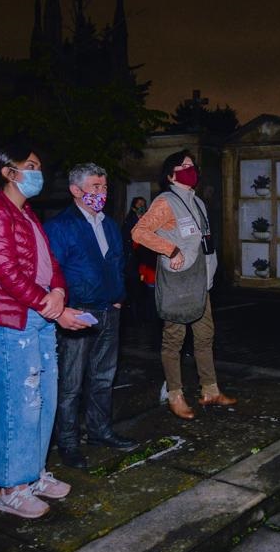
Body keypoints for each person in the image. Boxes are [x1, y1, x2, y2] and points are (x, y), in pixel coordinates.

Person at [0, 140, 90, 519]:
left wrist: (57, 291)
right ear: (10, 172)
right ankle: (11, 488)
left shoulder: (28, 215)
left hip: (37, 317)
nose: (38, 174)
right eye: (32, 167)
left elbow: (50, 261)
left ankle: (33, 475)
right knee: (17, 404)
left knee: (43, 399)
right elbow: (6, 272)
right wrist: (46, 303)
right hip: (10, 320)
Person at [131, 150, 237, 420]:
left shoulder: (198, 202)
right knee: (173, 340)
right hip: (178, 283)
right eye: (184, 166)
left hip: (201, 282)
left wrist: (211, 274)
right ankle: (175, 395)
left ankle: (210, 390)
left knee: (204, 337)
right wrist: (171, 250)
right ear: (170, 174)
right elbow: (139, 232)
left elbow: (204, 241)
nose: (191, 169)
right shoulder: (166, 202)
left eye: (192, 165)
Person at [44, 163, 137, 470]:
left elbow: (118, 260)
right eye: (95, 187)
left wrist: (119, 296)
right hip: (78, 312)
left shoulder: (109, 224)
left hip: (110, 310)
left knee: (103, 376)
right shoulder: (60, 226)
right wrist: (63, 309)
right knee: (71, 383)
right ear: (75, 190)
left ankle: (99, 431)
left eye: (104, 187)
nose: (102, 193)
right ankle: (68, 442)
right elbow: (51, 271)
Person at [122, 196, 151, 320]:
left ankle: (143, 314)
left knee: (143, 288)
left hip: (143, 260)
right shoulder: (130, 221)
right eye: (139, 204)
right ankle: (135, 316)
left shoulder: (146, 219)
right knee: (135, 289)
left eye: (143, 204)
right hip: (133, 260)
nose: (142, 207)